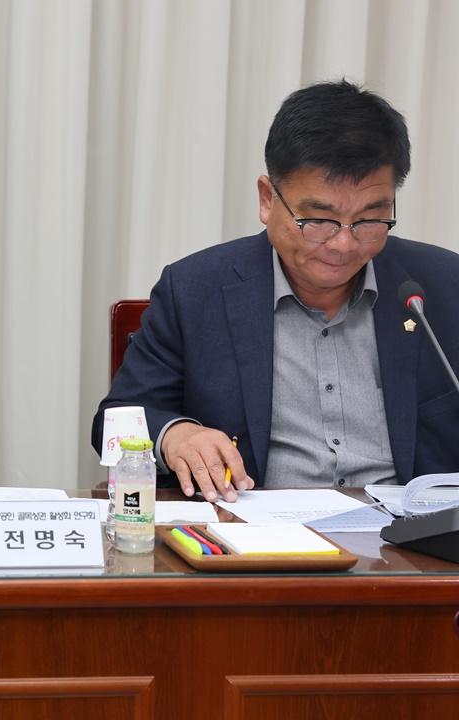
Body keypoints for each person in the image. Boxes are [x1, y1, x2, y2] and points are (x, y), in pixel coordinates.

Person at [92, 79, 459, 502]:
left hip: (412, 548)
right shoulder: (194, 290)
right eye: (318, 220)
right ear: (268, 199)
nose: (343, 243)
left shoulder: (443, 287)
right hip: (257, 542)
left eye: (369, 219)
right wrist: (176, 435)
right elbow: (113, 424)